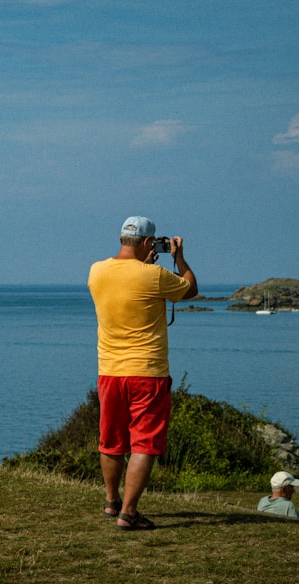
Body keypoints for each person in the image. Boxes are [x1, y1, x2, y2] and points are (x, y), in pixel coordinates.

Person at [88, 215, 197, 531]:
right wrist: (179, 257)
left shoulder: (96, 271)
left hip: (109, 370)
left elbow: (126, 285)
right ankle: (129, 513)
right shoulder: (155, 275)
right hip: (147, 372)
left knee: (112, 440)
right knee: (143, 443)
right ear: (150, 243)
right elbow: (190, 289)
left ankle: (111, 501)